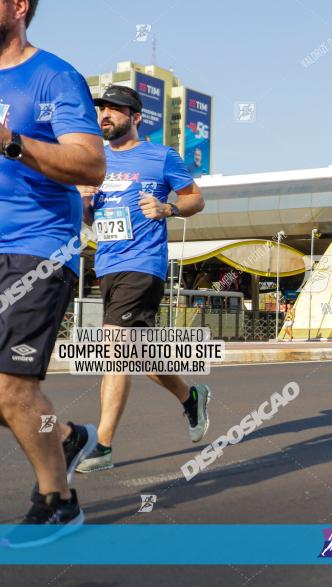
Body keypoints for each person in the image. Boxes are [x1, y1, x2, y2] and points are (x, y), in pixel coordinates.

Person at [0, 0, 105, 536]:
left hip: (36, 246)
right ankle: (63, 434)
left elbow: (90, 162)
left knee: (9, 386)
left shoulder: (54, 77)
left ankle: (58, 500)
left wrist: (11, 141)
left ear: (18, 7)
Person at [75, 85, 210, 473]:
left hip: (144, 263)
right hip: (108, 265)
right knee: (139, 355)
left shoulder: (160, 156)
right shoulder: (93, 161)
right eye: (102, 109)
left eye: (115, 110)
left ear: (135, 118)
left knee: (114, 349)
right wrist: (85, 201)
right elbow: (91, 219)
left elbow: (195, 199)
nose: (105, 115)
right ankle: (190, 397)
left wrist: (168, 207)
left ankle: (102, 446)